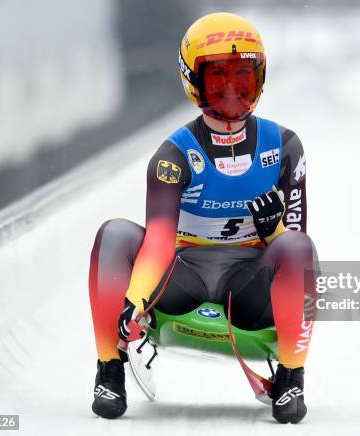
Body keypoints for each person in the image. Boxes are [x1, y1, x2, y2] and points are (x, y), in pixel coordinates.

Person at [88, 12, 317, 424]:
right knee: (115, 234)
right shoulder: (173, 155)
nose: (231, 91)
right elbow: (158, 239)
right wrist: (135, 302)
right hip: (183, 279)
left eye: (242, 77)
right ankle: (110, 369)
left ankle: (292, 376)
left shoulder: (284, 147)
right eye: (218, 79)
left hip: (247, 287)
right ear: (194, 81)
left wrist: (273, 230)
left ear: (259, 80)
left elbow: (298, 247)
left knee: (298, 247)